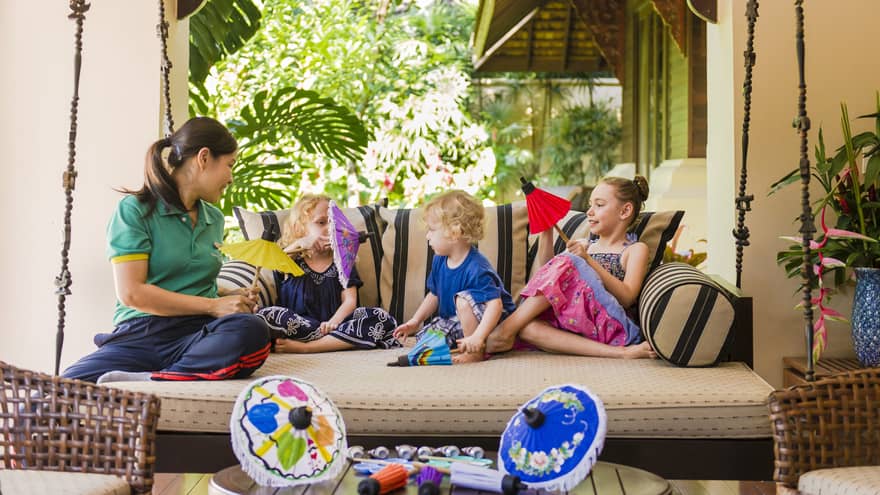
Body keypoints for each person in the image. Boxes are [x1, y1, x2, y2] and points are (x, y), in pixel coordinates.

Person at [63, 117, 271, 383]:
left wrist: (229, 295)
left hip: (197, 332)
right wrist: (214, 305)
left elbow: (188, 277)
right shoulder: (134, 210)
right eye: (229, 165)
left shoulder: (214, 219)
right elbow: (132, 293)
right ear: (204, 158)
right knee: (58, 391)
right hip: (142, 332)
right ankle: (181, 374)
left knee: (251, 329)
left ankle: (157, 379)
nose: (230, 177)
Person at [487, 176, 657, 359]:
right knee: (527, 328)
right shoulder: (586, 245)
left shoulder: (635, 249)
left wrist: (586, 261)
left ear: (625, 211)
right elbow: (545, 279)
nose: (589, 212)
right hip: (577, 322)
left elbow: (627, 297)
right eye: (590, 205)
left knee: (568, 261)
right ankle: (616, 353)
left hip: (615, 328)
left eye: (599, 205)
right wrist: (547, 232)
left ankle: (504, 330)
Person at [257, 194, 399, 353]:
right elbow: (275, 263)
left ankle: (309, 348)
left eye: (334, 222)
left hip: (337, 327)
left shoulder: (343, 261)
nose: (330, 227)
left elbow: (350, 301)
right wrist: (300, 244)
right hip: (300, 325)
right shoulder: (292, 260)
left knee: (380, 317)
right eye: (321, 222)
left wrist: (333, 322)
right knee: (268, 314)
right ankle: (322, 342)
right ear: (299, 228)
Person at [393, 190, 516, 364]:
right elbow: (434, 294)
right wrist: (415, 321)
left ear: (454, 232)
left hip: (491, 324)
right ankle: (464, 343)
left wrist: (478, 337)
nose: (427, 236)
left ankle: (475, 352)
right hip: (455, 320)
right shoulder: (439, 260)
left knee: (463, 301)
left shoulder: (476, 267)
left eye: (432, 230)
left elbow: (495, 306)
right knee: (424, 340)